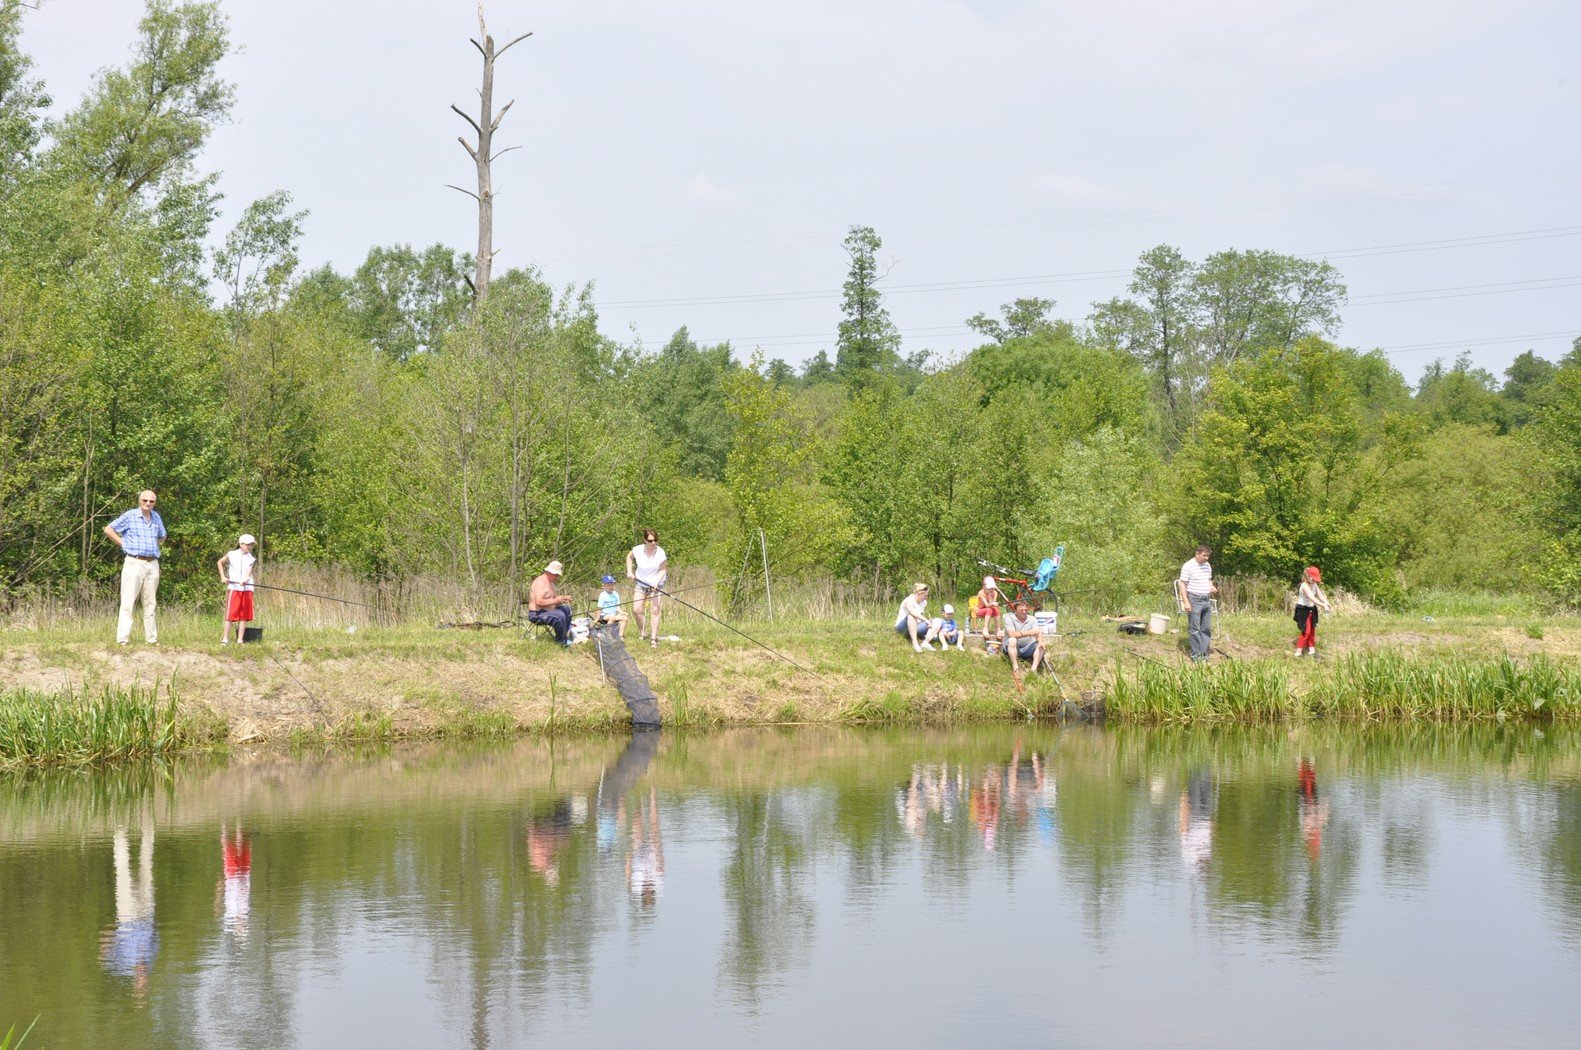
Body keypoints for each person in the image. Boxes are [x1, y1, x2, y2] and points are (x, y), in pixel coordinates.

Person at [104, 489, 167, 646]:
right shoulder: (130, 516)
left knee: (150, 603)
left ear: (155, 503)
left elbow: (163, 536)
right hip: (134, 562)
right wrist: (123, 543)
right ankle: (123, 639)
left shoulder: (156, 517)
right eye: (145, 500)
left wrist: (152, 544)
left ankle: (151, 639)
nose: (148, 503)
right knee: (128, 602)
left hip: (152, 563)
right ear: (140, 500)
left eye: (151, 501)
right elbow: (109, 529)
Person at [626, 528, 668, 648]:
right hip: (641, 583)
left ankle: (653, 638)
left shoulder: (660, 552)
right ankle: (643, 632)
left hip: (656, 584)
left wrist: (656, 582)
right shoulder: (638, 550)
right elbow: (629, 557)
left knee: (654, 610)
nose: (653, 543)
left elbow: (663, 569)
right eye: (650, 541)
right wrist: (629, 571)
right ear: (645, 540)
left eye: (655, 540)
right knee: (636, 609)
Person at [1175, 544, 1218, 663]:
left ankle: (1204, 655)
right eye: (1204, 556)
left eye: (1208, 556)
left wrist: (1211, 587)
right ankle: (1195, 655)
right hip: (1194, 599)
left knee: (1206, 628)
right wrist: (1186, 602)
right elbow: (1182, 585)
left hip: (1206, 600)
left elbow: (1208, 580)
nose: (1206, 558)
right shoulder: (1188, 566)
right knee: (1195, 629)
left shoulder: (1207, 565)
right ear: (1197, 554)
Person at [217, 534, 257, 645]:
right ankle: (225, 639)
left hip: (247, 588)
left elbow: (248, 574)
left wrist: (244, 580)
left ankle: (240, 640)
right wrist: (223, 577)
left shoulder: (252, 559)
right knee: (231, 613)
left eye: (251, 545)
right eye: (247, 544)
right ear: (241, 544)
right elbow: (219, 562)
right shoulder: (231, 554)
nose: (249, 546)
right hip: (234, 588)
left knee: (243, 615)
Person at [527, 560, 574, 645]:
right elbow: (539, 602)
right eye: (557, 575)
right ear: (550, 572)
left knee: (567, 609)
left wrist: (563, 599)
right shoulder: (540, 582)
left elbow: (553, 601)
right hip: (537, 614)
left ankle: (566, 635)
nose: (557, 577)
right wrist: (555, 601)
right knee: (560, 615)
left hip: (548, 611)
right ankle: (561, 643)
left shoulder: (551, 583)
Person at [1293, 565, 1332, 657]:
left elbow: (1320, 595)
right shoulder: (1304, 586)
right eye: (1313, 579)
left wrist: (1326, 602)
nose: (1315, 581)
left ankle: (1312, 651)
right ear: (1308, 576)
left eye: (1316, 579)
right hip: (1303, 610)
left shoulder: (1314, 584)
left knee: (1312, 631)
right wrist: (1323, 605)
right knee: (1306, 631)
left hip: (1312, 609)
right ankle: (1298, 653)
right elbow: (1312, 598)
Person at [1002, 599, 1045, 679]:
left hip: (1027, 648)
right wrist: (1029, 633)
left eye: (1025, 610)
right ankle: (1015, 667)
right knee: (1012, 640)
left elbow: (1037, 632)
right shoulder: (1009, 617)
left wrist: (1040, 641)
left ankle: (1033, 670)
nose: (1024, 612)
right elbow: (1012, 634)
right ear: (1015, 610)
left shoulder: (1032, 619)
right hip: (1011, 647)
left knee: (1041, 646)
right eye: (1021, 610)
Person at [894, 583, 932, 651]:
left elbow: (921, 615)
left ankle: (926, 642)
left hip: (915, 626)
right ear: (919, 593)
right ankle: (915, 643)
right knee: (911, 616)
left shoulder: (924, 603)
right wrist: (926, 620)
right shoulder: (908, 600)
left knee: (935, 620)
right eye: (925, 595)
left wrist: (928, 622)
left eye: (927, 595)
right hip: (902, 627)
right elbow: (913, 612)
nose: (926, 597)